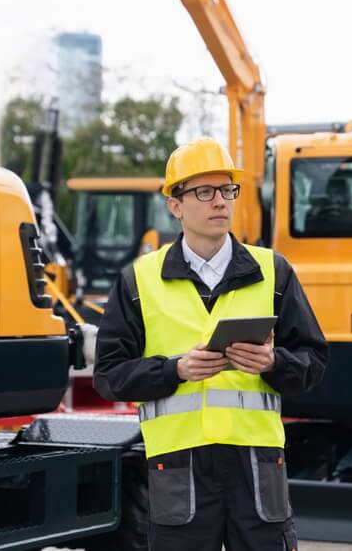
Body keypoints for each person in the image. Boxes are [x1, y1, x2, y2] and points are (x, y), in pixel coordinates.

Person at [93, 138, 328, 551]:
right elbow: (110, 377)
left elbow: (314, 362)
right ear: (175, 204)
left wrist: (272, 362)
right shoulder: (138, 281)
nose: (219, 201)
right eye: (204, 191)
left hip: (255, 461)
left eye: (226, 190)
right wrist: (174, 370)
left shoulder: (273, 272)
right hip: (178, 465)